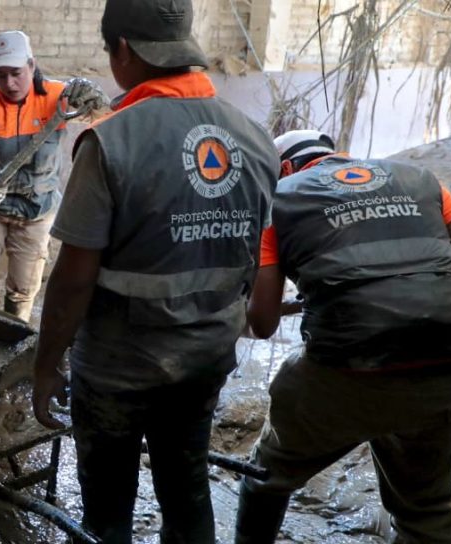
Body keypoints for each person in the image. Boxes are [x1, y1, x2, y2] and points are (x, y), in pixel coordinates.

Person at [29, 0, 279, 541]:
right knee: (186, 484)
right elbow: (255, 256)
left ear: (123, 50)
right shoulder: (256, 138)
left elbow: (73, 279)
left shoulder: (112, 140)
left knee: (108, 505)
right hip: (206, 358)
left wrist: (46, 364)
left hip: (118, 369)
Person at [235, 130, 451, 543]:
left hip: (349, 367)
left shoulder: (277, 199)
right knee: (427, 508)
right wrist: (427, 294)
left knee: (265, 476)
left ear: (286, 168)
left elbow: (263, 322)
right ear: (340, 156)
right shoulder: (417, 177)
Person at [0, 30, 105, 322]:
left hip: (36, 211)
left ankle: (13, 343)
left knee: (23, 289)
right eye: (0, 75)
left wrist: (93, 96)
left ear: (31, 65)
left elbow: (100, 114)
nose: (9, 83)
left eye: (16, 73)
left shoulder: (59, 97)